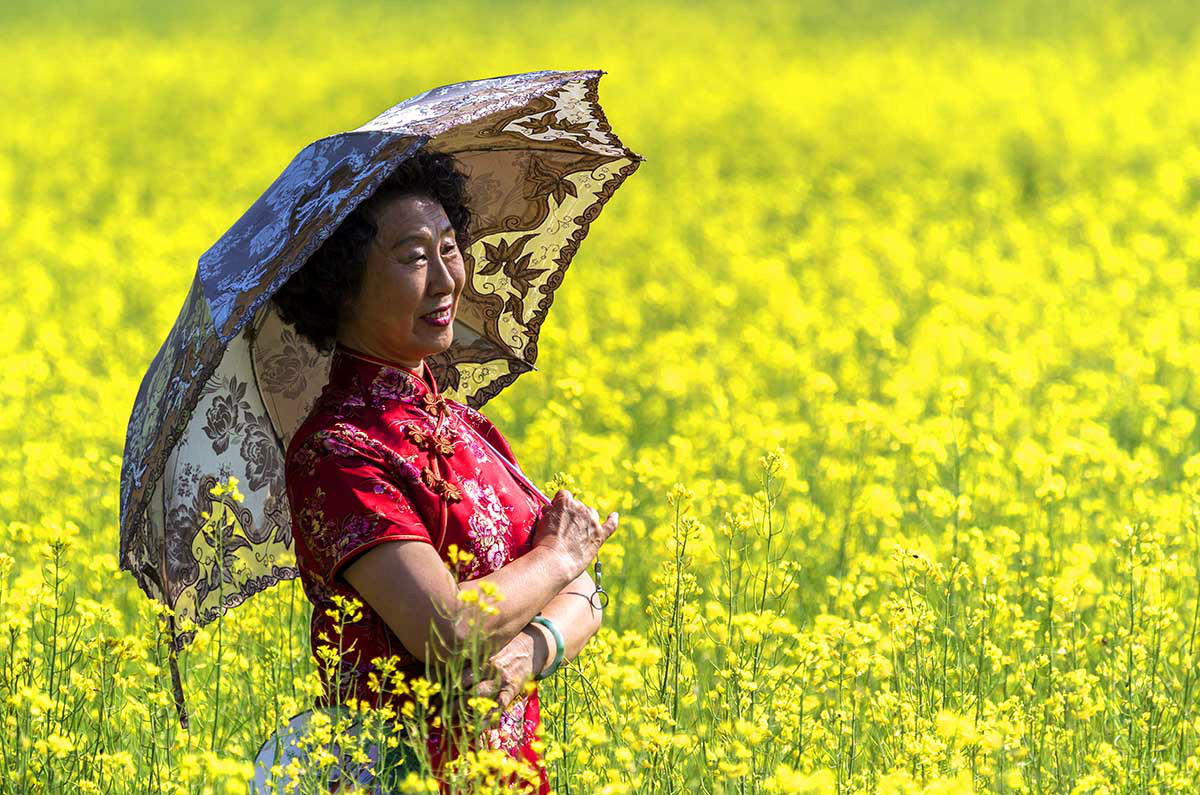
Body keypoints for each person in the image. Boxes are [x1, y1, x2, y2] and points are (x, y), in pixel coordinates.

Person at [272, 148, 618, 794]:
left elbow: (586, 594)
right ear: (343, 285)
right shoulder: (341, 451)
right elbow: (448, 628)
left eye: (450, 247)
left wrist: (527, 650)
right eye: (412, 256)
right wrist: (558, 553)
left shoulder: (468, 428)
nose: (443, 279)